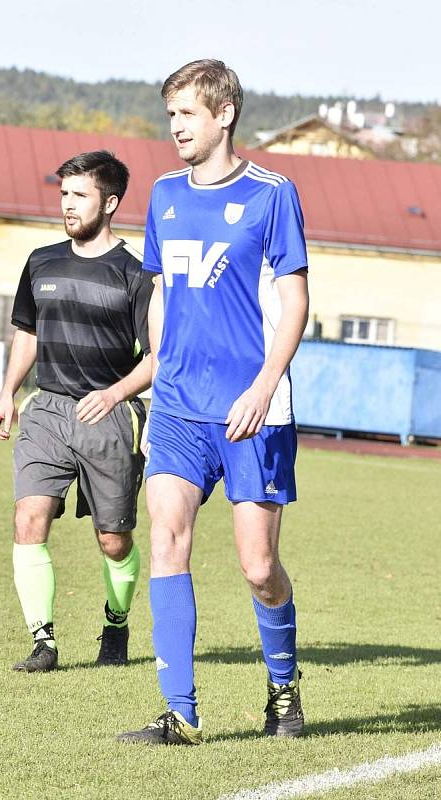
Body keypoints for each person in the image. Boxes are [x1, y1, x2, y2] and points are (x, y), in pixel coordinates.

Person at [118, 60, 309, 745]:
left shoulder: (271, 194)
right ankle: (182, 713)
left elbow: (294, 301)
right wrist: (158, 372)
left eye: (187, 115)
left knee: (258, 569)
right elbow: (161, 293)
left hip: (253, 410)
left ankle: (283, 687)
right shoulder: (165, 195)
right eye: (170, 116)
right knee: (166, 539)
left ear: (223, 114)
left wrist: (263, 386)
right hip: (177, 409)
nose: (175, 128)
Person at [0, 150, 153, 673]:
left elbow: (158, 357)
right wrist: (8, 393)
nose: (67, 204)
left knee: (113, 538)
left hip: (108, 414)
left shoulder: (137, 275)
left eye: (79, 195)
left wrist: (116, 395)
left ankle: (116, 622)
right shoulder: (41, 262)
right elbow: (27, 333)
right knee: (28, 517)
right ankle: (44, 643)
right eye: (64, 193)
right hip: (47, 410)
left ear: (110, 202)